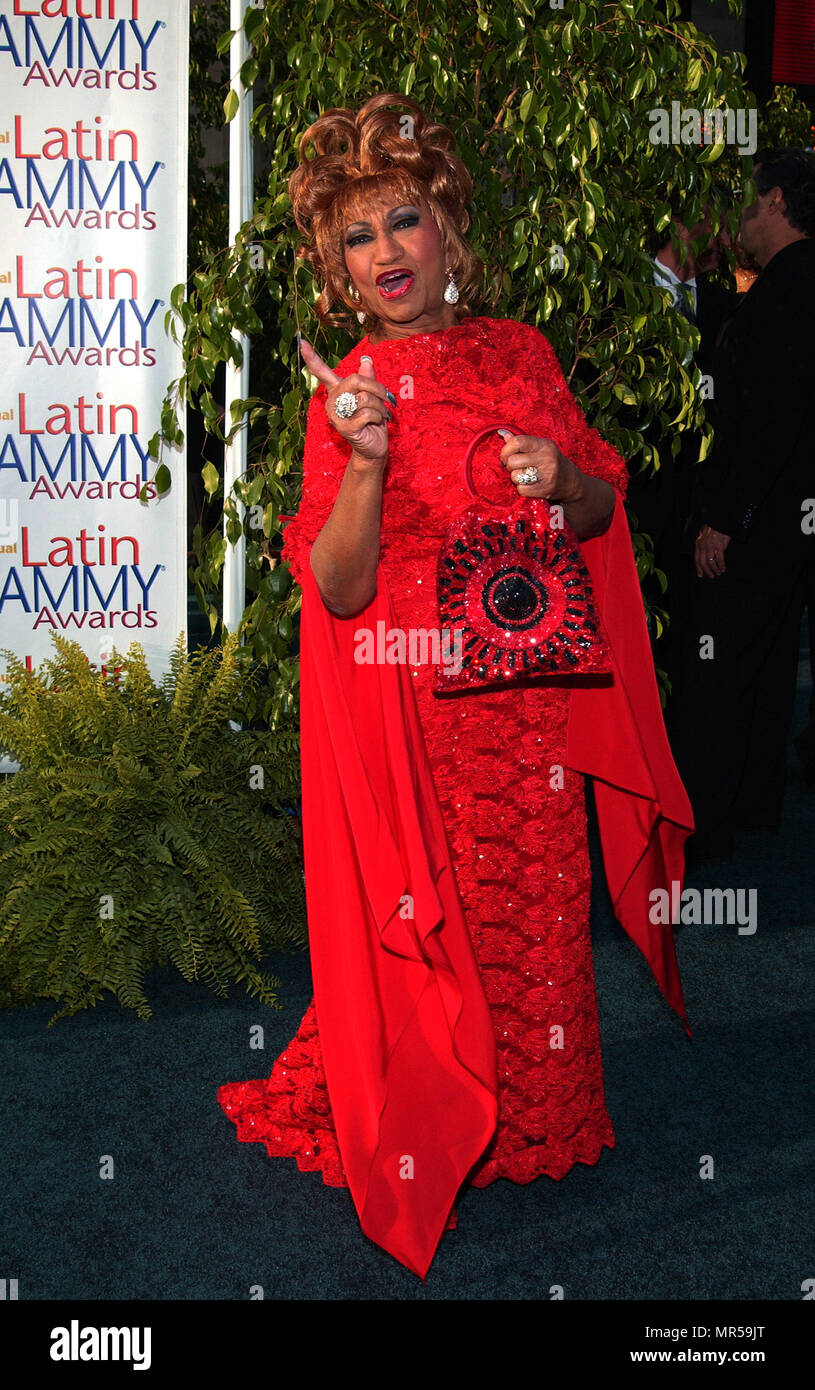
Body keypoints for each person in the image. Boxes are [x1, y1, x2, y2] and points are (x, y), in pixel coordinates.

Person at [217, 93, 693, 1280]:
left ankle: (526, 1115)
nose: (381, 254)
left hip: (523, 706)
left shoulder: (520, 354)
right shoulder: (350, 390)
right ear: (337, 269)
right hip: (412, 711)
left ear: (446, 232)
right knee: (428, 920)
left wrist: (564, 473)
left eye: (401, 222)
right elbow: (333, 587)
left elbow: (601, 506)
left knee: (529, 918)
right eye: (356, 239)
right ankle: (427, 1112)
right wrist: (366, 462)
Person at [670, 148, 815, 862]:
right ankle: (753, 805)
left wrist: (723, 518)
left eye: (747, 205)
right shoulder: (792, 281)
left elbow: (767, 420)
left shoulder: (787, 290)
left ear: (777, 202)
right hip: (790, 517)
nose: (737, 222)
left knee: (716, 666)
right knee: (766, 656)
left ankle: (702, 826)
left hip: (758, 516)